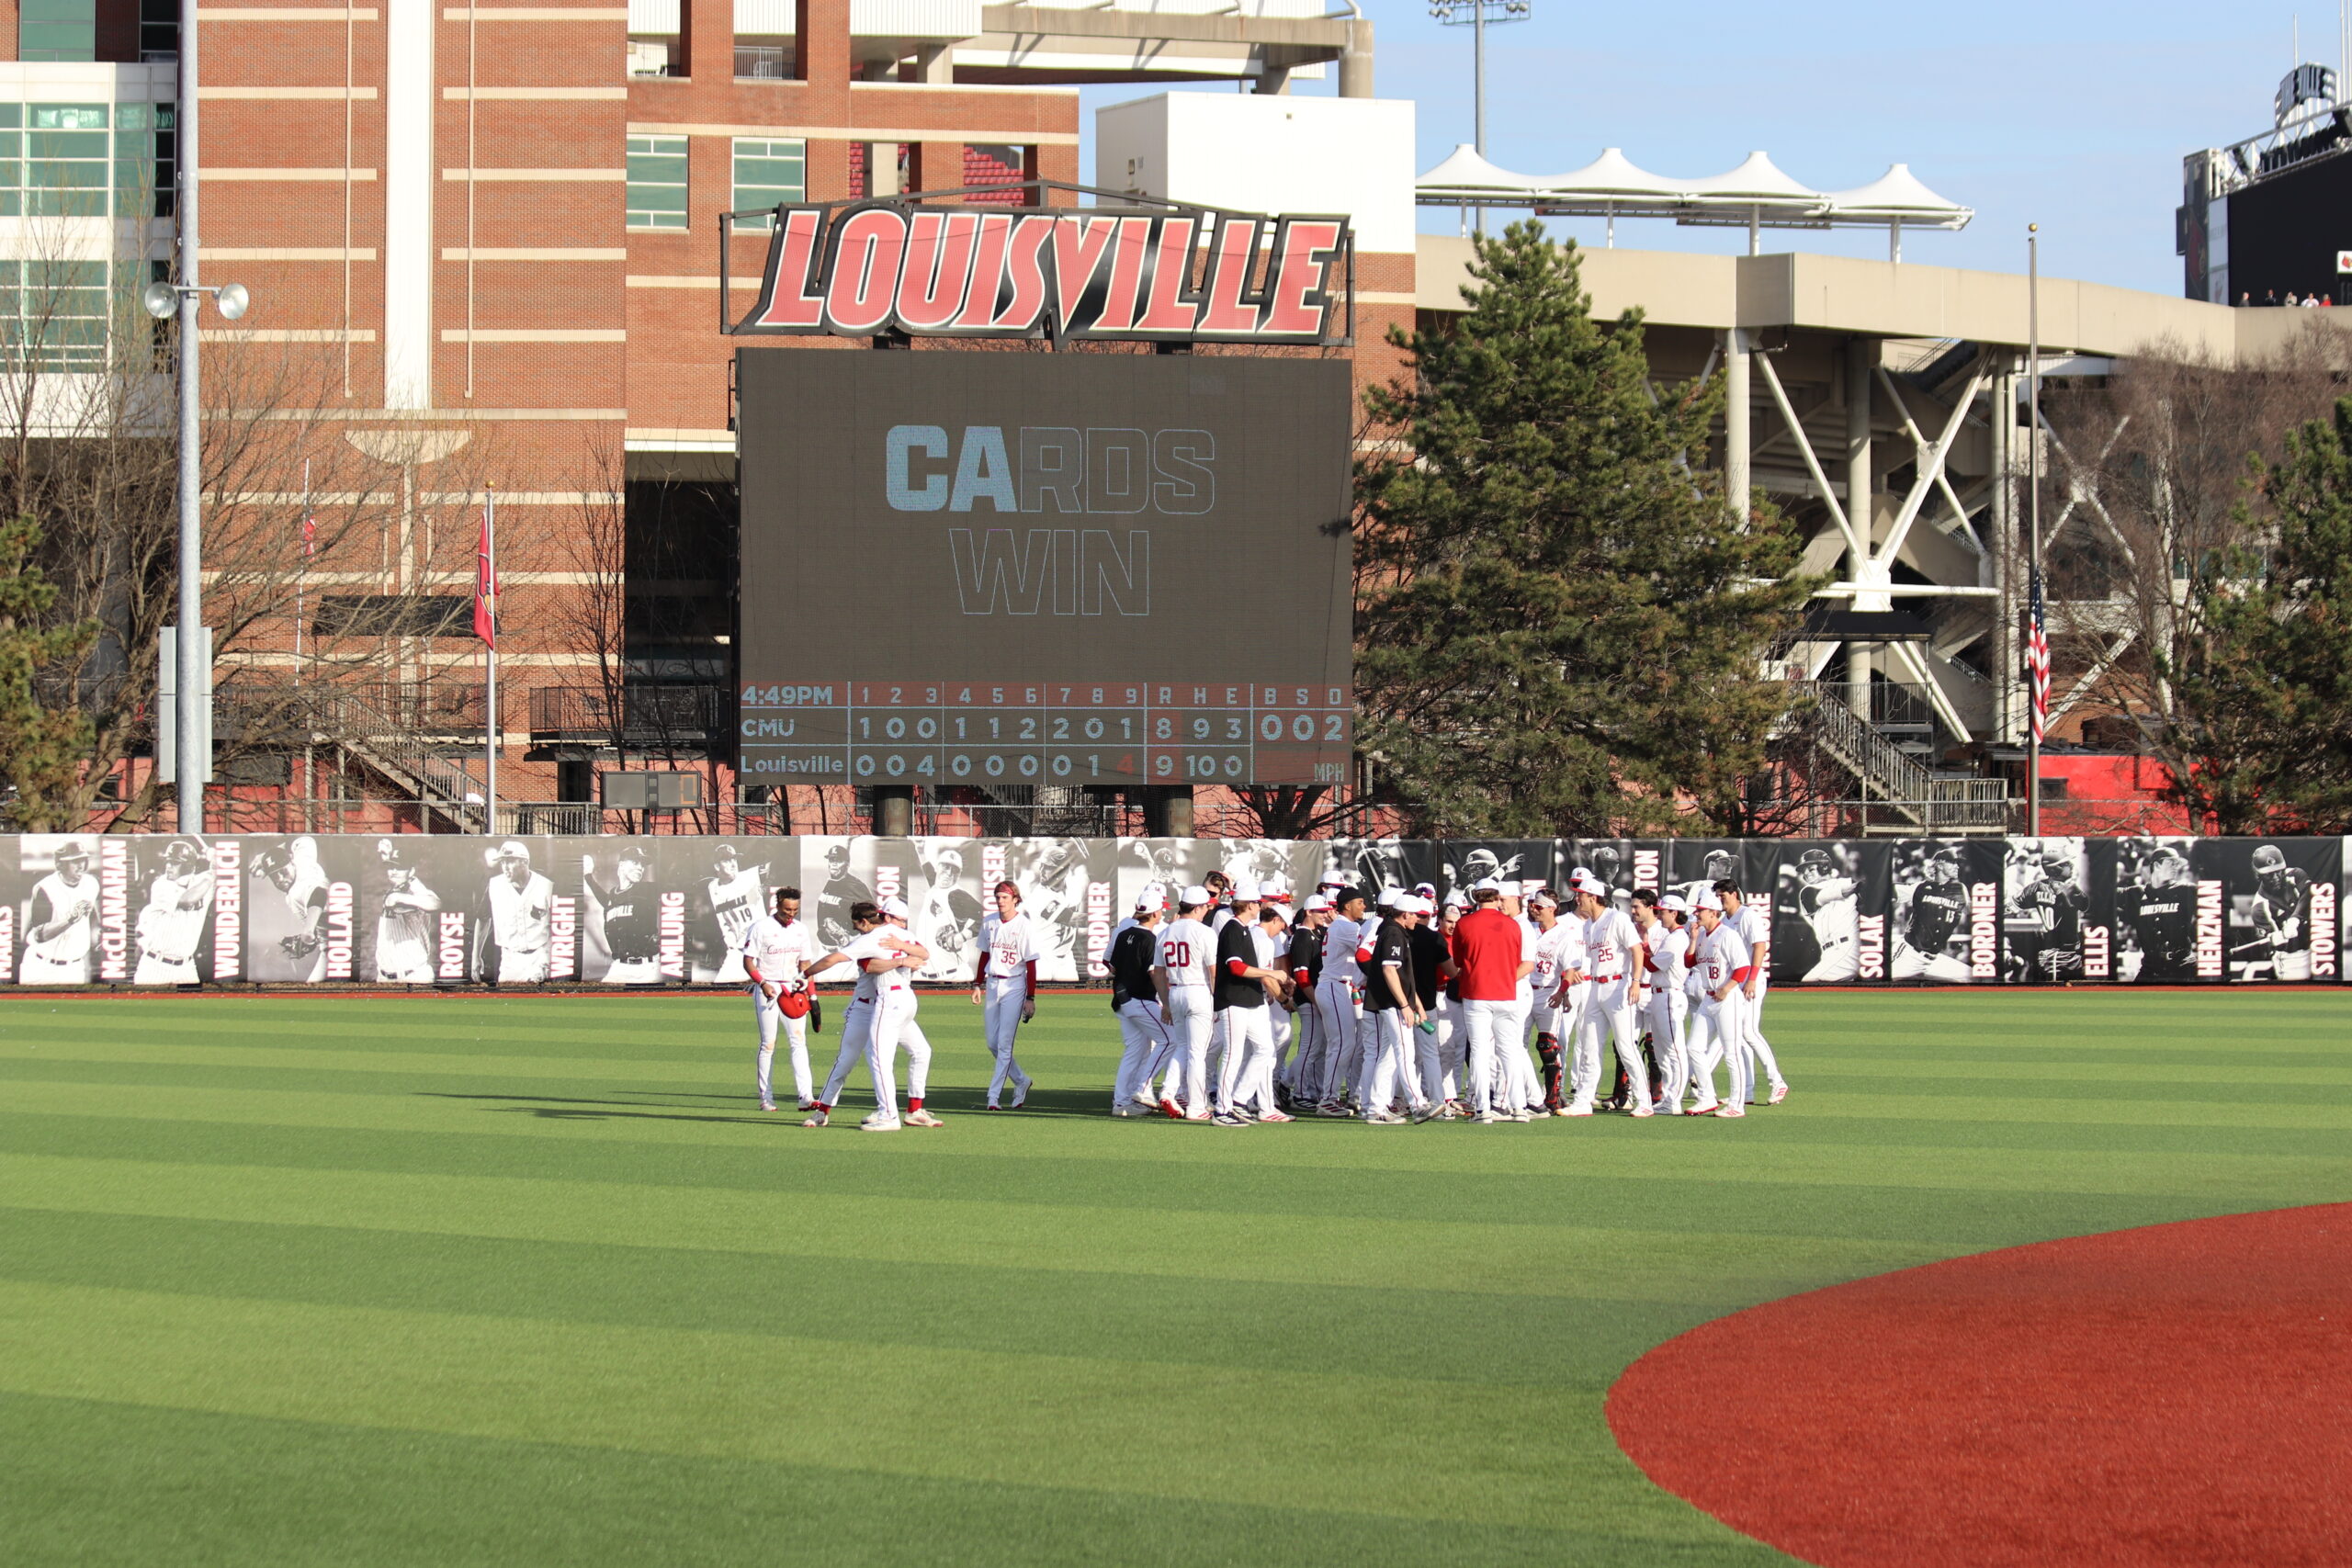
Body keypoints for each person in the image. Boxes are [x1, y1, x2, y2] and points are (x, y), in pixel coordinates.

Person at [802, 897, 931, 1131]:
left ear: (864, 921)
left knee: (904, 1055)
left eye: (856, 924)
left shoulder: (883, 937)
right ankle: (823, 1110)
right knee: (846, 1061)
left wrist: (804, 975)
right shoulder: (882, 937)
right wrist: (903, 957)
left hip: (889, 1004)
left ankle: (901, 1112)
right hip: (866, 1007)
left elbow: (923, 953)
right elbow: (870, 967)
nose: (855, 930)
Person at [1566, 870, 1650, 1117]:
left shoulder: (1617, 919)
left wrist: (1635, 982)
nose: (1577, 898)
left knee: (1625, 1045)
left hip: (1618, 985)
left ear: (1593, 897)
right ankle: (1583, 1100)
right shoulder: (1589, 925)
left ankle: (1643, 1100)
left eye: (1581, 895)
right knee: (1589, 1044)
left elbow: (1637, 951)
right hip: (1596, 986)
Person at [1450, 878, 1532, 1123]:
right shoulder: (1512, 925)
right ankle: (1519, 1107)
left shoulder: (1465, 923)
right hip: (1507, 993)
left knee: (1479, 1051)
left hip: (1477, 993)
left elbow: (1458, 961)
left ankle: (1483, 1109)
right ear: (1496, 897)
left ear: (1475, 896)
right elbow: (1518, 958)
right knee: (1510, 1052)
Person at [1211, 879, 1290, 1124]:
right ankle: (1222, 1110)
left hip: (1249, 999)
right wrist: (1270, 973)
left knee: (1266, 1048)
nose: (1260, 905)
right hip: (1233, 999)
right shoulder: (1233, 929)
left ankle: (1238, 1100)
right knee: (1233, 1054)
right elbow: (1235, 967)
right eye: (1256, 902)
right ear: (1249, 905)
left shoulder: (1245, 929)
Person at [741, 886, 816, 1112]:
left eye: (794, 909)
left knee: (799, 1042)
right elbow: (748, 961)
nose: (791, 913)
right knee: (768, 1044)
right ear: (777, 905)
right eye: (786, 909)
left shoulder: (801, 930)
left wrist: (812, 996)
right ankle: (766, 1098)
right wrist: (761, 983)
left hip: (792, 989)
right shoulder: (761, 928)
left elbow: (805, 965)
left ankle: (806, 1096)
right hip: (769, 987)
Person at [1715, 878, 1789, 1105]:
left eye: (1723, 896)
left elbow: (1760, 945)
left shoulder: (1747, 915)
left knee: (1749, 1031)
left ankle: (1777, 1081)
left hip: (1750, 981)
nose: (1720, 901)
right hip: (1734, 982)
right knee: (1737, 1036)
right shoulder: (1723, 919)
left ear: (1734, 894)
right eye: (1717, 897)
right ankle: (1746, 1091)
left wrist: (1753, 979)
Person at [1357, 893, 1427, 1124]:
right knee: (1405, 1053)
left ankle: (1375, 1107)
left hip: (1390, 1002)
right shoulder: (1393, 933)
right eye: (1415, 915)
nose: (1417, 919)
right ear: (1405, 914)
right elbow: (1390, 970)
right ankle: (1418, 1104)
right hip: (1392, 1004)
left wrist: (1416, 1003)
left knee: (1387, 1057)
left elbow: (1402, 976)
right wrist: (1405, 1004)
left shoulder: (1391, 930)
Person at [1152, 886, 1217, 1121]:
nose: (1207, 911)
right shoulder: (1204, 932)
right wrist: (1217, 1000)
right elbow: (1213, 971)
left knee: (1182, 1046)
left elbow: (1158, 973)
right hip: (1198, 990)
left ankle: (1169, 1091)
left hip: (1176, 991)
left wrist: (1167, 1003)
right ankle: (1196, 1105)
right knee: (1197, 1053)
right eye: (1205, 907)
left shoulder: (1165, 932)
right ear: (1198, 907)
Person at [973, 880, 1037, 1110]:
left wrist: (1030, 997)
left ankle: (993, 1097)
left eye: (1005, 897)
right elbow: (984, 955)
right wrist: (977, 984)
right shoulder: (989, 922)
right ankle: (1021, 1081)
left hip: (1014, 985)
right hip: (993, 984)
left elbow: (1030, 963)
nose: (1000, 901)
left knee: (1004, 1044)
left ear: (1015, 899)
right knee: (992, 1042)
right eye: (997, 897)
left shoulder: (1024, 925)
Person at [1688, 893, 1752, 1118]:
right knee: (1694, 1047)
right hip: (1708, 997)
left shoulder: (1727, 934)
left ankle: (1737, 1105)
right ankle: (1706, 1098)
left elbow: (1743, 967)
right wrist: (1693, 939)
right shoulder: (1703, 935)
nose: (1696, 913)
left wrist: (1728, 988)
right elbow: (1689, 962)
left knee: (1731, 1052)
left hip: (1727, 998)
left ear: (1713, 912)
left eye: (1700, 910)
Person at [1107, 889, 1170, 1115]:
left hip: (1122, 1000)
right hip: (1140, 999)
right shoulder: (1150, 939)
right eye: (1160, 908)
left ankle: (1121, 1103)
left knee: (1134, 1050)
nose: (1161, 912)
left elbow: (1112, 966)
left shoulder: (1124, 934)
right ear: (1154, 913)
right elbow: (1155, 974)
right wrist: (1167, 1004)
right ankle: (1143, 1088)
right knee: (1170, 1040)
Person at [1634, 891, 1692, 1113]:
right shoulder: (1671, 936)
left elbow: (1654, 966)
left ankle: (1674, 1100)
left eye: (1662, 912)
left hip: (1670, 994)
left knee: (1674, 1050)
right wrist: (1646, 944)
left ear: (1674, 913)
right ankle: (1667, 1098)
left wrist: (1641, 947)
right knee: (1660, 1051)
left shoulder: (1678, 937)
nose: (1658, 915)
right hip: (1660, 995)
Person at [1311, 886, 1368, 1115]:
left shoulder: (1342, 925)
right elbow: (1368, 949)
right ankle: (1327, 1100)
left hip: (1338, 986)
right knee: (1342, 1044)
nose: (1363, 906)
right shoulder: (1346, 926)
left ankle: (1335, 1096)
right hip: (1335, 985)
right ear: (1347, 906)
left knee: (1343, 1044)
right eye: (1360, 902)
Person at [1525, 890, 1582, 1111]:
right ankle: (1523, 1093)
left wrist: (1563, 992)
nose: (1533, 909)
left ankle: (1552, 1096)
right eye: (1532, 905)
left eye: (1538, 906)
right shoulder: (1528, 930)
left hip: (1549, 992)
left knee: (1547, 1047)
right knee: (1515, 1046)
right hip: (1524, 991)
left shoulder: (1563, 935)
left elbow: (1569, 970)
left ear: (1551, 908)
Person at [133, 838, 213, 984]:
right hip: (156, 966)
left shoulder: (202, 882)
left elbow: (230, 871)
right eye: (168, 862)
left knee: (199, 1005)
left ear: (188, 866)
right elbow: (187, 899)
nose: (169, 866)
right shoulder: (161, 885)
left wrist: (218, 859)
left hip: (186, 967)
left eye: (175, 863)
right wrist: (213, 875)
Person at [20, 840, 98, 984]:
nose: (81, 866)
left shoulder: (91, 884)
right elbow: (39, 935)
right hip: (41, 966)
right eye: (75, 861)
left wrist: (98, 933)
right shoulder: (45, 888)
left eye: (83, 860)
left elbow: (94, 919)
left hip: (74, 968)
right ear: (61, 865)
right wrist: (69, 921)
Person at [695, 842, 773, 984]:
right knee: (719, 988)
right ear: (717, 866)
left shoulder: (750, 876)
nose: (732, 864)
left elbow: (772, 866)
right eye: (726, 860)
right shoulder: (713, 887)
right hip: (737, 953)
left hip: (762, 950)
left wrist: (766, 885)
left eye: (734, 859)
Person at [2118, 844, 2196, 982]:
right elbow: (2102, 894)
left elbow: (2214, 899)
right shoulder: (2135, 893)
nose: (2175, 867)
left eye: (2177, 864)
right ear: (2157, 865)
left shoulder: (2186, 890)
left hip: (2182, 966)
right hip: (2150, 967)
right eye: (2171, 863)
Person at [481, 840, 553, 984]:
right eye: (502, 862)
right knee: (507, 1002)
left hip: (538, 955)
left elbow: (557, 925)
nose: (505, 867)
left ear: (524, 862)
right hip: (510, 958)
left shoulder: (546, 885)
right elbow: (482, 918)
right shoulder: (495, 885)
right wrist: (476, 956)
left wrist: (547, 956)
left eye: (510, 861)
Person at [1894, 848, 1971, 982]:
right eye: (1953, 862)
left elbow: (1973, 911)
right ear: (1940, 865)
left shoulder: (1960, 889)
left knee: (1972, 977)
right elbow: (1890, 891)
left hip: (1933, 960)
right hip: (1909, 955)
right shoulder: (1920, 888)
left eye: (1958, 863)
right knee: (1879, 985)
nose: (1957, 866)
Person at [584, 846, 660, 983]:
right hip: (619, 967)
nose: (640, 868)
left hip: (648, 968)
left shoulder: (647, 890)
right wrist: (588, 876)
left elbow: (674, 886)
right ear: (622, 865)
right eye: (635, 862)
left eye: (642, 865)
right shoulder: (614, 895)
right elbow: (606, 900)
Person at [374, 839, 440, 984]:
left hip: (413, 976)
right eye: (391, 867)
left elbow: (435, 903)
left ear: (411, 871)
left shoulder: (414, 888)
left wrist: (399, 897)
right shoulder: (397, 887)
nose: (394, 871)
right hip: (384, 976)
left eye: (401, 867)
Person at [2247, 842, 2315, 981]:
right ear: (2258, 875)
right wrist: (2274, 940)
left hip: (2318, 944)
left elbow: (2308, 894)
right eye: (2269, 875)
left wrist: (2295, 919)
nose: (2276, 877)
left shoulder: (2296, 875)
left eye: (2279, 871)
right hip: (2294, 957)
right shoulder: (2259, 907)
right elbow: (2266, 947)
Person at [1793, 848, 1859, 982]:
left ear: (1824, 866)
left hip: (1848, 945)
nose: (1806, 874)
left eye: (1810, 868)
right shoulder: (1807, 892)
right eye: (1803, 871)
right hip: (1829, 951)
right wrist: (1860, 887)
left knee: (1809, 982)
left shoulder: (1846, 882)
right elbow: (1832, 894)